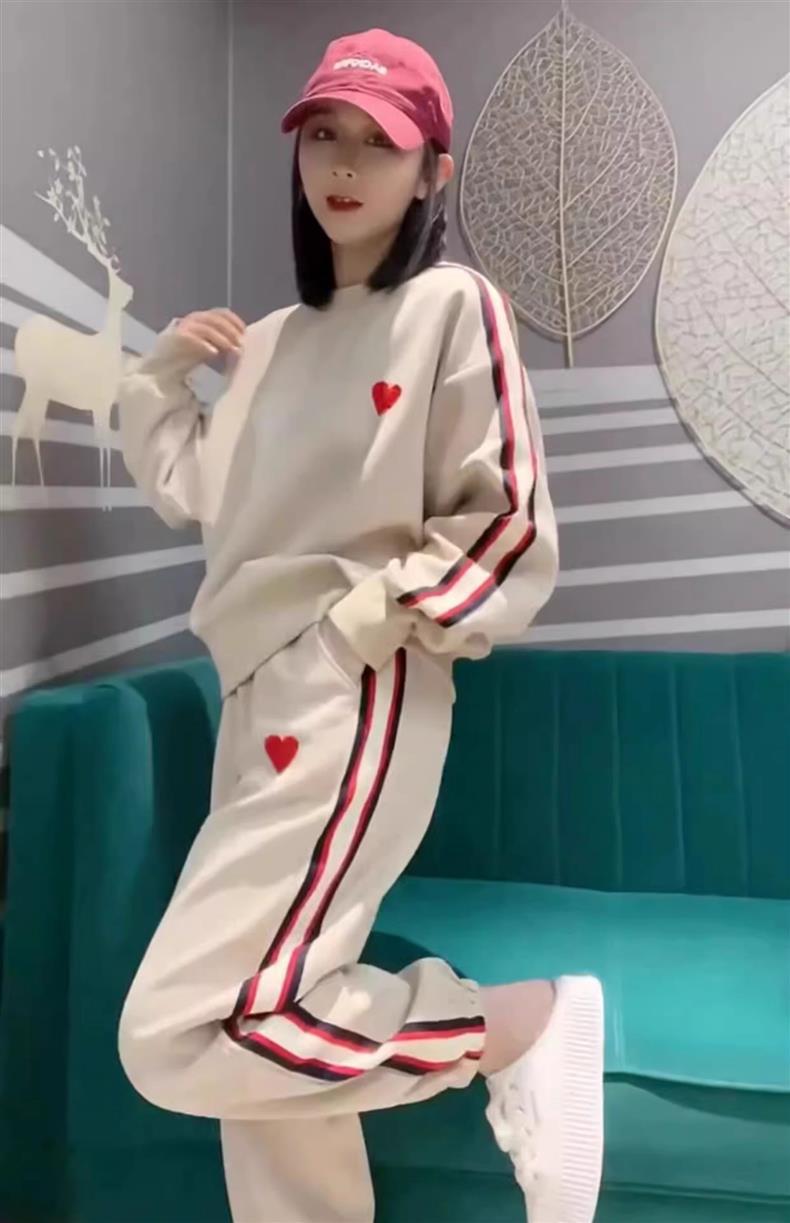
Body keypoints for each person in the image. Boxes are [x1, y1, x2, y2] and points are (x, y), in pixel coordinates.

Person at [116, 27, 604, 1223]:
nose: (342, 164)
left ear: (432, 170)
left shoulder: (451, 304)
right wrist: (158, 378)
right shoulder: (271, 345)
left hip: (356, 682)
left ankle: (517, 1023)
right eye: (324, 135)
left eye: (378, 143)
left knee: (176, 1028)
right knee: (271, 1012)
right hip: (250, 689)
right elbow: (199, 490)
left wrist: (359, 625)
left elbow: (509, 520)